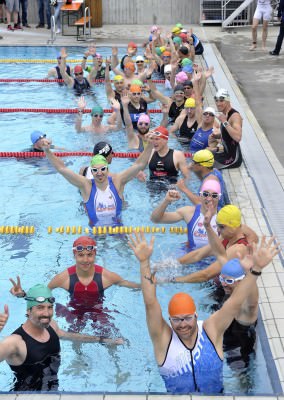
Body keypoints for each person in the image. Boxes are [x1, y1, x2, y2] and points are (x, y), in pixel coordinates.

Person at [128, 231, 279, 394]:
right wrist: (144, 263)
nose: (183, 324)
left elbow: (235, 302)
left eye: (187, 318)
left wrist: (256, 269)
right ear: (170, 320)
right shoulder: (163, 340)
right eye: (176, 320)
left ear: (196, 315)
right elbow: (150, 304)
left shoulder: (211, 330)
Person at [0, 284, 123, 391]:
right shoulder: (15, 342)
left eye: (49, 307)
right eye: (40, 308)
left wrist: (103, 340)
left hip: (53, 390)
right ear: (28, 311)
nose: (47, 313)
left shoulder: (51, 326)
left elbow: (69, 336)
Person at [10, 236, 139, 333]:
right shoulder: (63, 278)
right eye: (81, 255)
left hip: (98, 311)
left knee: (113, 336)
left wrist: (151, 281)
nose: (85, 260)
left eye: (89, 255)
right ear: (74, 255)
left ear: (95, 254)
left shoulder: (106, 276)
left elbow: (132, 286)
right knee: (74, 338)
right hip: (75, 313)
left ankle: (117, 367)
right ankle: (79, 361)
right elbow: (43, 295)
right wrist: (22, 294)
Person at [41, 136, 154, 226]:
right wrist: (47, 151)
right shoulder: (86, 185)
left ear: (108, 168)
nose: (99, 173)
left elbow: (139, 164)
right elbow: (62, 169)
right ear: (92, 170)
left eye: (103, 169)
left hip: (118, 230)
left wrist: (149, 145)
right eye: (95, 170)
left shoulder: (117, 181)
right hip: (96, 233)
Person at [176, 205, 258, 280]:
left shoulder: (237, 249)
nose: (218, 230)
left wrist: (173, 280)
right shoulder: (226, 237)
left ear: (234, 227)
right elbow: (198, 254)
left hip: (228, 291)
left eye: (222, 227)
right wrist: (174, 263)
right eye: (218, 225)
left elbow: (206, 275)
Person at [151, 179, 221, 253]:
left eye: (214, 195)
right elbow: (155, 219)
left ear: (219, 197)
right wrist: (166, 201)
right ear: (200, 195)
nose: (209, 198)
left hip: (213, 259)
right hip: (190, 257)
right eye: (206, 194)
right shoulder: (189, 212)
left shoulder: (224, 215)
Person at [213, 88, 243, 169]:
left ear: (228, 101)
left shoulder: (235, 116)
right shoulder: (225, 114)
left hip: (232, 159)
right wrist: (217, 136)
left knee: (202, 166)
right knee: (199, 156)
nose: (218, 103)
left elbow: (238, 137)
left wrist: (224, 122)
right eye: (216, 100)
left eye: (221, 100)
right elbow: (228, 135)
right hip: (224, 153)